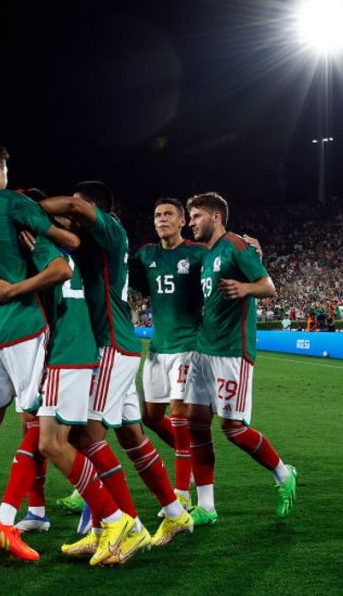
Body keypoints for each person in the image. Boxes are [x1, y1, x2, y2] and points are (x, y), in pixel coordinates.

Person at [0, 142, 130, 565]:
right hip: (21, 328)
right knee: (40, 427)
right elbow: (67, 245)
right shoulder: (11, 204)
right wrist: (43, 225)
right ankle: (13, 521)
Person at [40, 182, 192, 561]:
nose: (73, 217)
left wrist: (27, 210)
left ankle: (128, 526)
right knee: (131, 434)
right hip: (114, 342)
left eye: (79, 211)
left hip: (110, 344)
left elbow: (74, 206)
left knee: (85, 435)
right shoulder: (96, 238)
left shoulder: (108, 227)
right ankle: (174, 513)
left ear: (94, 208)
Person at [180, 191, 297, 526]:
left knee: (232, 428)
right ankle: (207, 506)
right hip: (205, 350)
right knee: (196, 424)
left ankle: (282, 473)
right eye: (189, 218)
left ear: (216, 216)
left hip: (233, 351)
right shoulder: (209, 254)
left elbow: (268, 285)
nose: (192, 223)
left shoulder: (235, 245)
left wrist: (245, 289)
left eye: (196, 216)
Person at [127, 197, 206, 511]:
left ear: (182, 221)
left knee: (179, 416)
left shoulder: (198, 253)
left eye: (168, 214)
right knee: (151, 416)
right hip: (158, 349)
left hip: (189, 346)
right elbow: (131, 287)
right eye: (157, 214)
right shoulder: (146, 255)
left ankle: (182, 494)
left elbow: (224, 268)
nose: (162, 219)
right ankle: (187, 452)